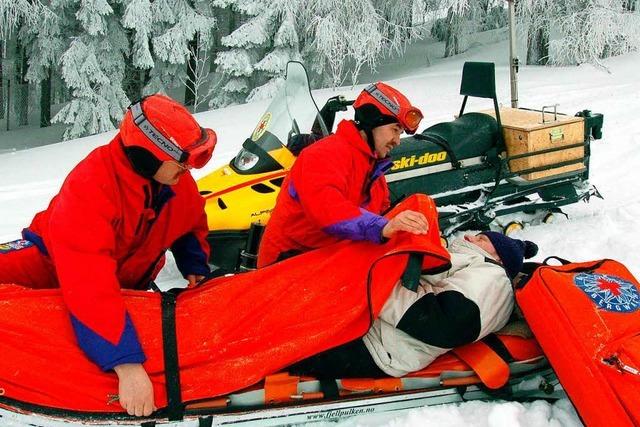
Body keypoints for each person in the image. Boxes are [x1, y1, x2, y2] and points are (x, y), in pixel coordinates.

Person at [0, 94, 216, 416]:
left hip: (123, 280)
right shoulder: (91, 185)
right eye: (182, 161)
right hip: (53, 260)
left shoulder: (175, 182)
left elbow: (189, 219)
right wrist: (126, 365)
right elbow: (88, 284)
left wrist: (193, 261)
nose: (188, 169)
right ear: (149, 156)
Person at [287, 232, 539, 379]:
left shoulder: (492, 279)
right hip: (371, 326)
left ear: (498, 257)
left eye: (482, 238)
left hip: (379, 347)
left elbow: (445, 324)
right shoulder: (471, 266)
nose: (469, 236)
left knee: (283, 345)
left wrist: (375, 283)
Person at [257, 82, 430, 268]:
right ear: (373, 122)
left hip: (331, 260)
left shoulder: (373, 169)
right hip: (289, 264)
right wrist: (381, 227)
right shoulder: (323, 155)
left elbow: (383, 214)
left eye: (401, 133)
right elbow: (329, 211)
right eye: (395, 130)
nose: (397, 141)